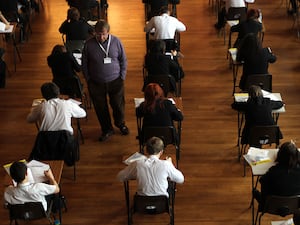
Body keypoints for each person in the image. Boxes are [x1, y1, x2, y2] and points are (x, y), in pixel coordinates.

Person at [82, 19, 129, 141]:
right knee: (100, 108)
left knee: (118, 105)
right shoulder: (88, 44)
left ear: (108, 32)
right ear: (94, 33)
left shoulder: (116, 41)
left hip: (115, 81)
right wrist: (88, 79)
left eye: (103, 34)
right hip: (96, 82)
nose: (101, 37)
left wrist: (122, 76)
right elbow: (84, 64)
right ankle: (107, 129)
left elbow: (123, 59)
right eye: (98, 34)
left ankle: (120, 124)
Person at [117, 136, 184, 197]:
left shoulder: (137, 164)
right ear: (161, 152)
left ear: (146, 151)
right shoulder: (166, 164)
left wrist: (135, 173)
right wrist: (170, 164)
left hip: (141, 203)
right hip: (162, 203)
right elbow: (181, 179)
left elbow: (120, 177)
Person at [253, 141, 300, 225]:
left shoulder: (273, 172)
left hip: (270, 206)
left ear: (279, 156)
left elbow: (262, 181)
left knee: (255, 191)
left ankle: (256, 194)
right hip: (295, 206)